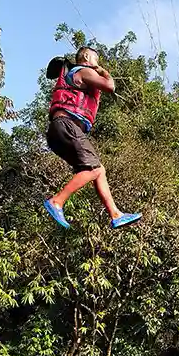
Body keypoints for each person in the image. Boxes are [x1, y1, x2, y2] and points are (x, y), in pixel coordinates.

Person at [43, 46, 142, 230]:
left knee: (99, 170)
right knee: (95, 168)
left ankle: (115, 214)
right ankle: (57, 201)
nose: (98, 64)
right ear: (87, 57)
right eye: (96, 60)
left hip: (59, 130)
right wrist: (103, 71)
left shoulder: (78, 74)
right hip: (67, 125)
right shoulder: (84, 71)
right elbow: (110, 86)